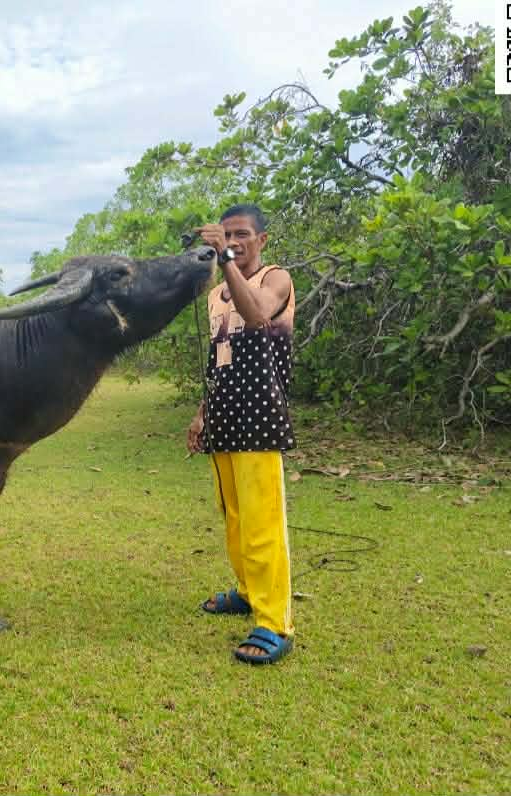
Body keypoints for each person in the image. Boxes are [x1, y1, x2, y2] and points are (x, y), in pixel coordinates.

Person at [187, 204, 297, 665]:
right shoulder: (217, 296)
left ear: (262, 240)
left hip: (260, 418)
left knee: (261, 523)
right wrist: (201, 414)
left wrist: (225, 260)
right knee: (233, 517)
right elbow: (219, 359)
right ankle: (248, 591)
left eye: (242, 235)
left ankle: (274, 622)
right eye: (227, 235)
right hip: (224, 418)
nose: (233, 242)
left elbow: (256, 317)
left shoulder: (276, 279)